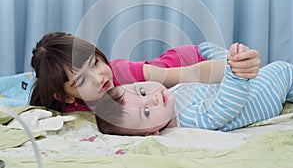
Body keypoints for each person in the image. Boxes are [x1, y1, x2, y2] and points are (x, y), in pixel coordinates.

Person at [95, 43, 293, 136]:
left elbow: (203, 84)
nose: (154, 99)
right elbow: (227, 106)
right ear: (151, 133)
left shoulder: (170, 100)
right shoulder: (190, 118)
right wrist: (235, 74)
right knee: (283, 70)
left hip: (243, 90)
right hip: (260, 98)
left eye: (141, 92)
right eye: (146, 112)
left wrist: (223, 58)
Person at [29, 32, 260, 112]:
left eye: (95, 64)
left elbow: (191, 74)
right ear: (67, 96)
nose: (99, 77)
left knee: (251, 82)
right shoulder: (68, 103)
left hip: (198, 59)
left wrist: (233, 67)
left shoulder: (123, 73)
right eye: (82, 80)